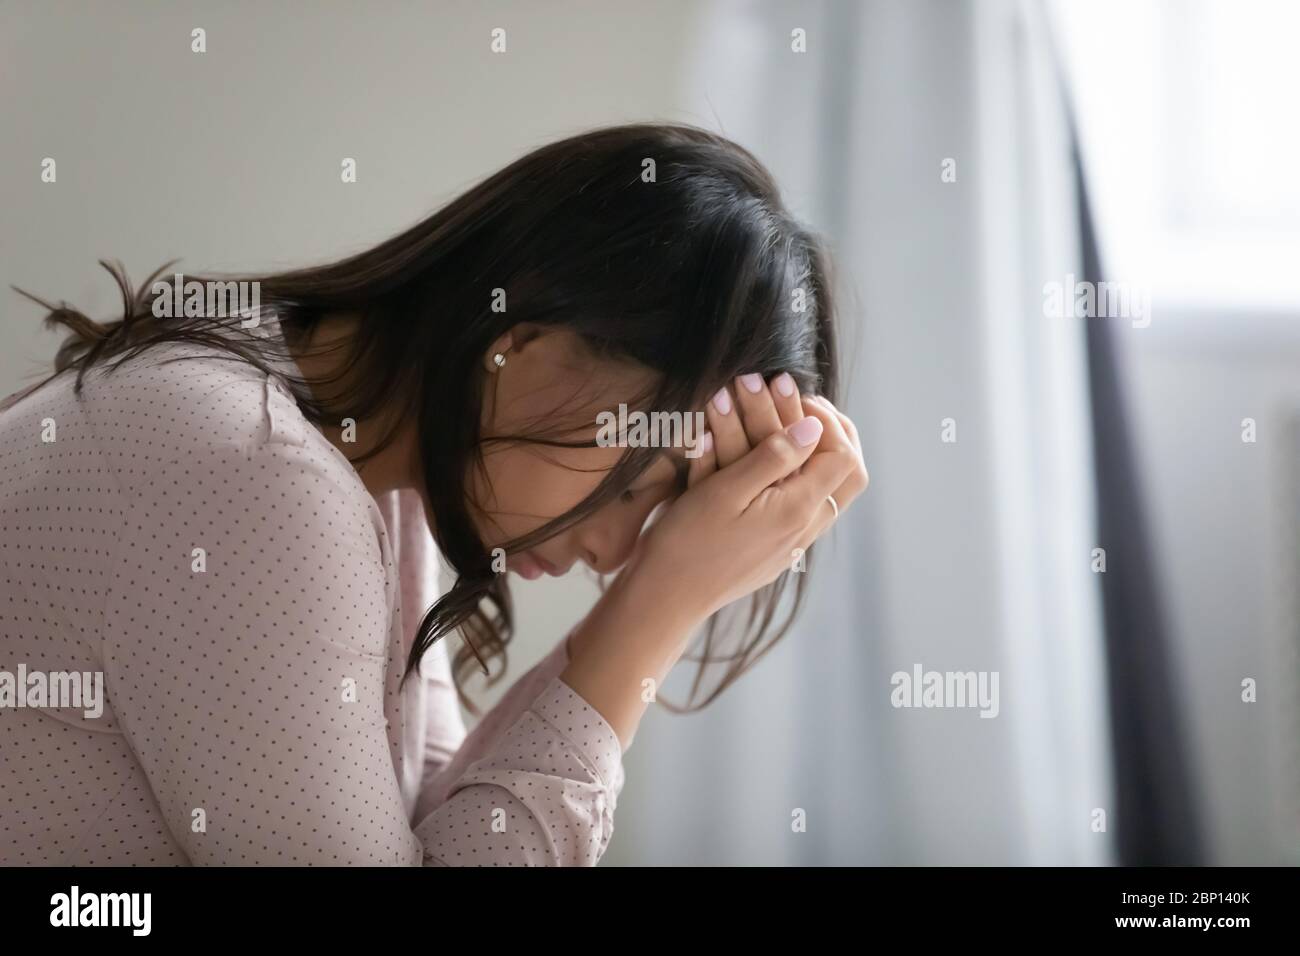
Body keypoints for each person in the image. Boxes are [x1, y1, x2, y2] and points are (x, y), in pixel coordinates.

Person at [0, 122, 868, 865]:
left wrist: (657, 592)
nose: (615, 555)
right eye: (636, 485)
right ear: (525, 343)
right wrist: (658, 605)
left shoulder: (375, 477)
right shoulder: (259, 475)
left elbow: (434, 834)